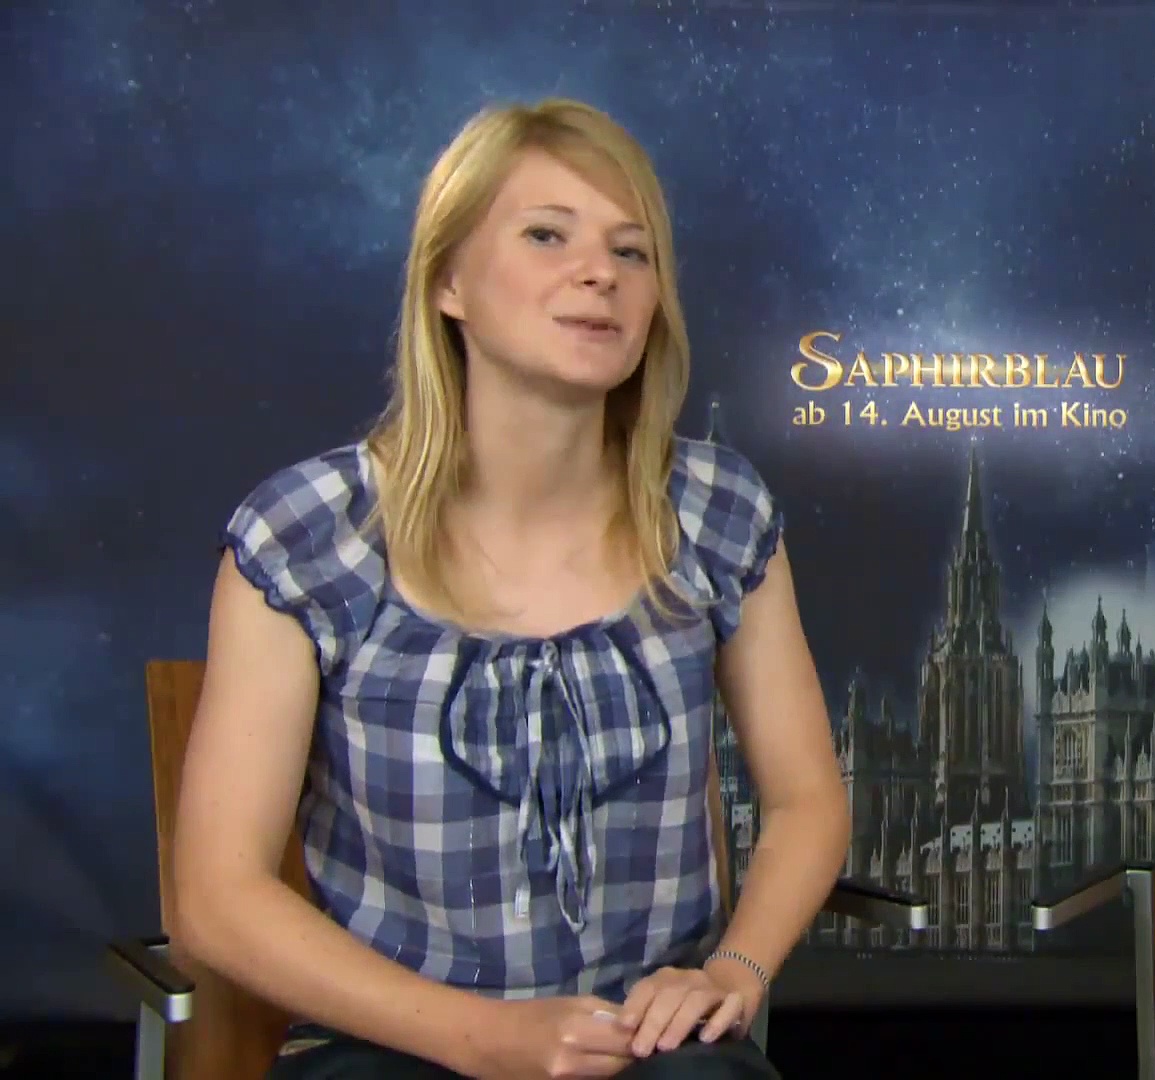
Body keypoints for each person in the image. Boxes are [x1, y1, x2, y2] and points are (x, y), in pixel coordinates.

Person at [170, 98, 852, 1080]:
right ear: (448, 280)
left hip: (646, 1046)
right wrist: (477, 1037)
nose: (601, 274)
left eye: (632, 252)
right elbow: (216, 899)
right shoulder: (307, 536)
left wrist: (732, 972)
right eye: (547, 235)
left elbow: (806, 802)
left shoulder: (718, 513)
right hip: (392, 1045)